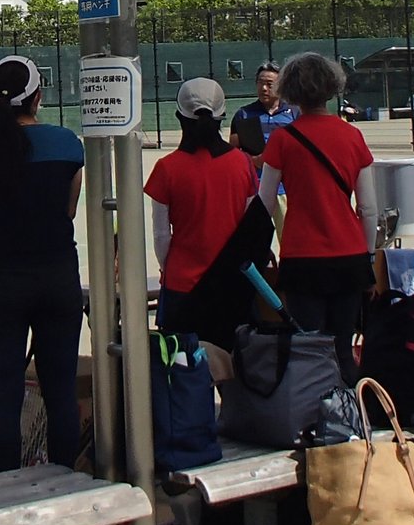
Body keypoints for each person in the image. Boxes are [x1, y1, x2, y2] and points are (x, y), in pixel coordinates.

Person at [0, 55, 86, 474]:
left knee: (5, 393)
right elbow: (68, 211)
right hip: (56, 276)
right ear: (38, 96)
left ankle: (6, 490)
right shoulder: (68, 144)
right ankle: (65, 484)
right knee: (61, 393)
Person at [257, 51, 379, 383]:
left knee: (309, 348)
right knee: (344, 347)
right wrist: (367, 257)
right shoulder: (353, 136)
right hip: (350, 256)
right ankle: (352, 418)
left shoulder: (283, 139)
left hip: (302, 257)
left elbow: (264, 203)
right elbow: (368, 208)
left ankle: (313, 421)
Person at [146, 78, 269, 351]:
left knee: (183, 371)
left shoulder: (166, 168)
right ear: (222, 115)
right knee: (234, 367)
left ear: (180, 116)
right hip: (233, 283)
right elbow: (252, 226)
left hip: (183, 286)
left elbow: (161, 235)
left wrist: (169, 268)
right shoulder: (241, 163)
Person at [229, 63, 295, 164]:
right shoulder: (244, 115)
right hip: (256, 178)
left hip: (288, 177)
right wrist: (254, 161)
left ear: (281, 86)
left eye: (269, 84)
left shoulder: (294, 113)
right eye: (260, 83)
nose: (264, 88)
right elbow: (232, 154)